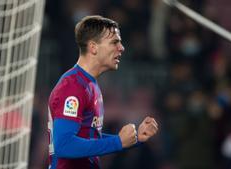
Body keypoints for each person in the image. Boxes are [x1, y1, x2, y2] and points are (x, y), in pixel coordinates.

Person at [47, 15, 159, 169]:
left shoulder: (89, 84)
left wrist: (134, 138)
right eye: (114, 42)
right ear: (93, 47)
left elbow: (89, 136)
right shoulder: (72, 86)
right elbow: (64, 145)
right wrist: (117, 142)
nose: (121, 47)